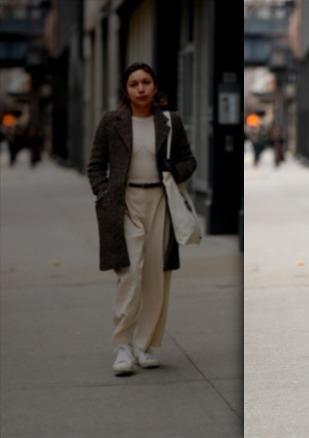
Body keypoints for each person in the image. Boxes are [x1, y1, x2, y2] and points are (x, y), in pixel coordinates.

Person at [87, 62, 197, 376]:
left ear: (155, 86)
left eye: (146, 82)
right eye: (134, 83)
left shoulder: (169, 121)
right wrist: (105, 193)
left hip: (160, 201)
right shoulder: (111, 121)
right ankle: (122, 345)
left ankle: (144, 345)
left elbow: (189, 161)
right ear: (126, 90)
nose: (141, 88)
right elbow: (95, 166)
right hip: (125, 203)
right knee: (130, 274)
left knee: (155, 277)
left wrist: (175, 170)